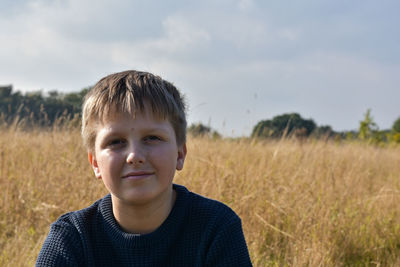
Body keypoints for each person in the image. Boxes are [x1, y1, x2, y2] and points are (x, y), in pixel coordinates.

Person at [36, 70, 252, 266]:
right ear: (95, 163)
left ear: (180, 153)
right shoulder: (72, 237)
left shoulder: (216, 227)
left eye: (152, 138)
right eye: (115, 142)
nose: (134, 156)